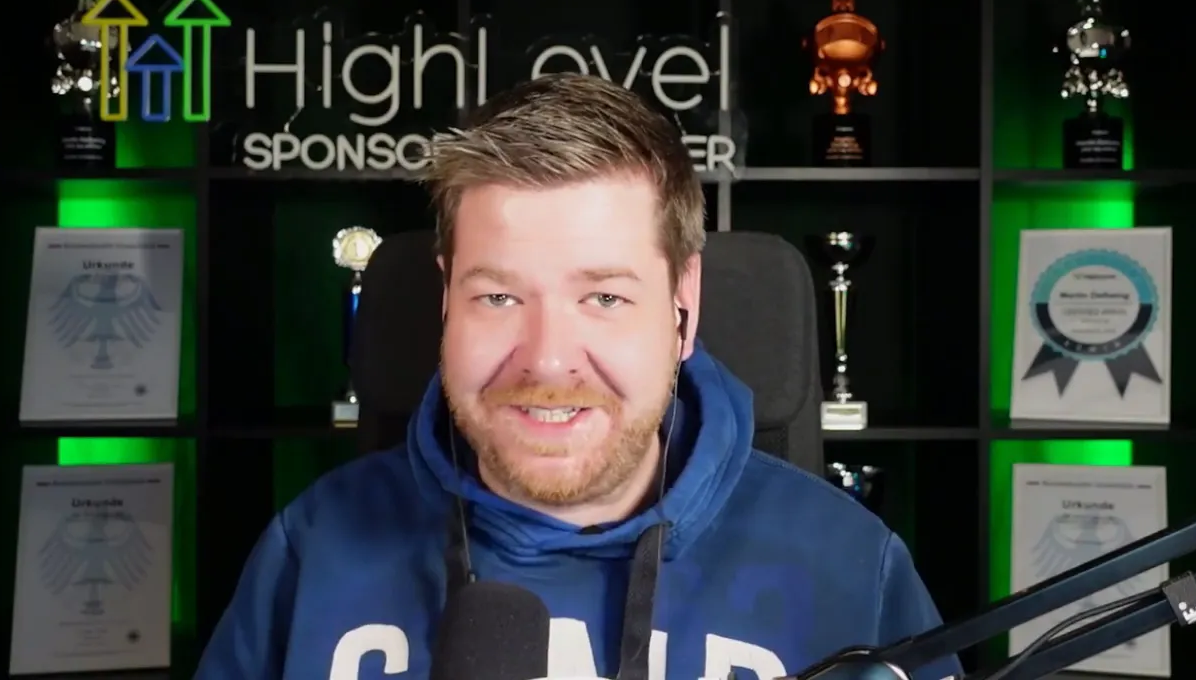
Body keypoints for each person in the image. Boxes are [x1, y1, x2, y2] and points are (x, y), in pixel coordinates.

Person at [194, 73, 962, 680]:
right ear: (446, 300)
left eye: (603, 297)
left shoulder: (854, 571)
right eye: (497, 296)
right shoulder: (312, 550)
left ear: (682, 309)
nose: (547, 358)